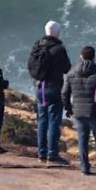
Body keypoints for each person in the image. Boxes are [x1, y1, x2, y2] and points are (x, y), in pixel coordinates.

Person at [28, 20, 71, 165]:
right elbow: (67, 68)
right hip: (53, 87)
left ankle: (41, 154)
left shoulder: (37, 45)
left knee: (42, 121)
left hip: (40, 87)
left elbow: (30, 65)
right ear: (57, 32)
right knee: (53, 122)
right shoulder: (59, 49)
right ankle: (52, 154)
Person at [62, 46, 96, 175]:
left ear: (81, 56)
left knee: (82, 139)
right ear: (94, 57)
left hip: (78, 111)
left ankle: (85, 167)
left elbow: (64, 93)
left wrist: (68, 108)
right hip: (94, 111)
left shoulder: (71, 73)